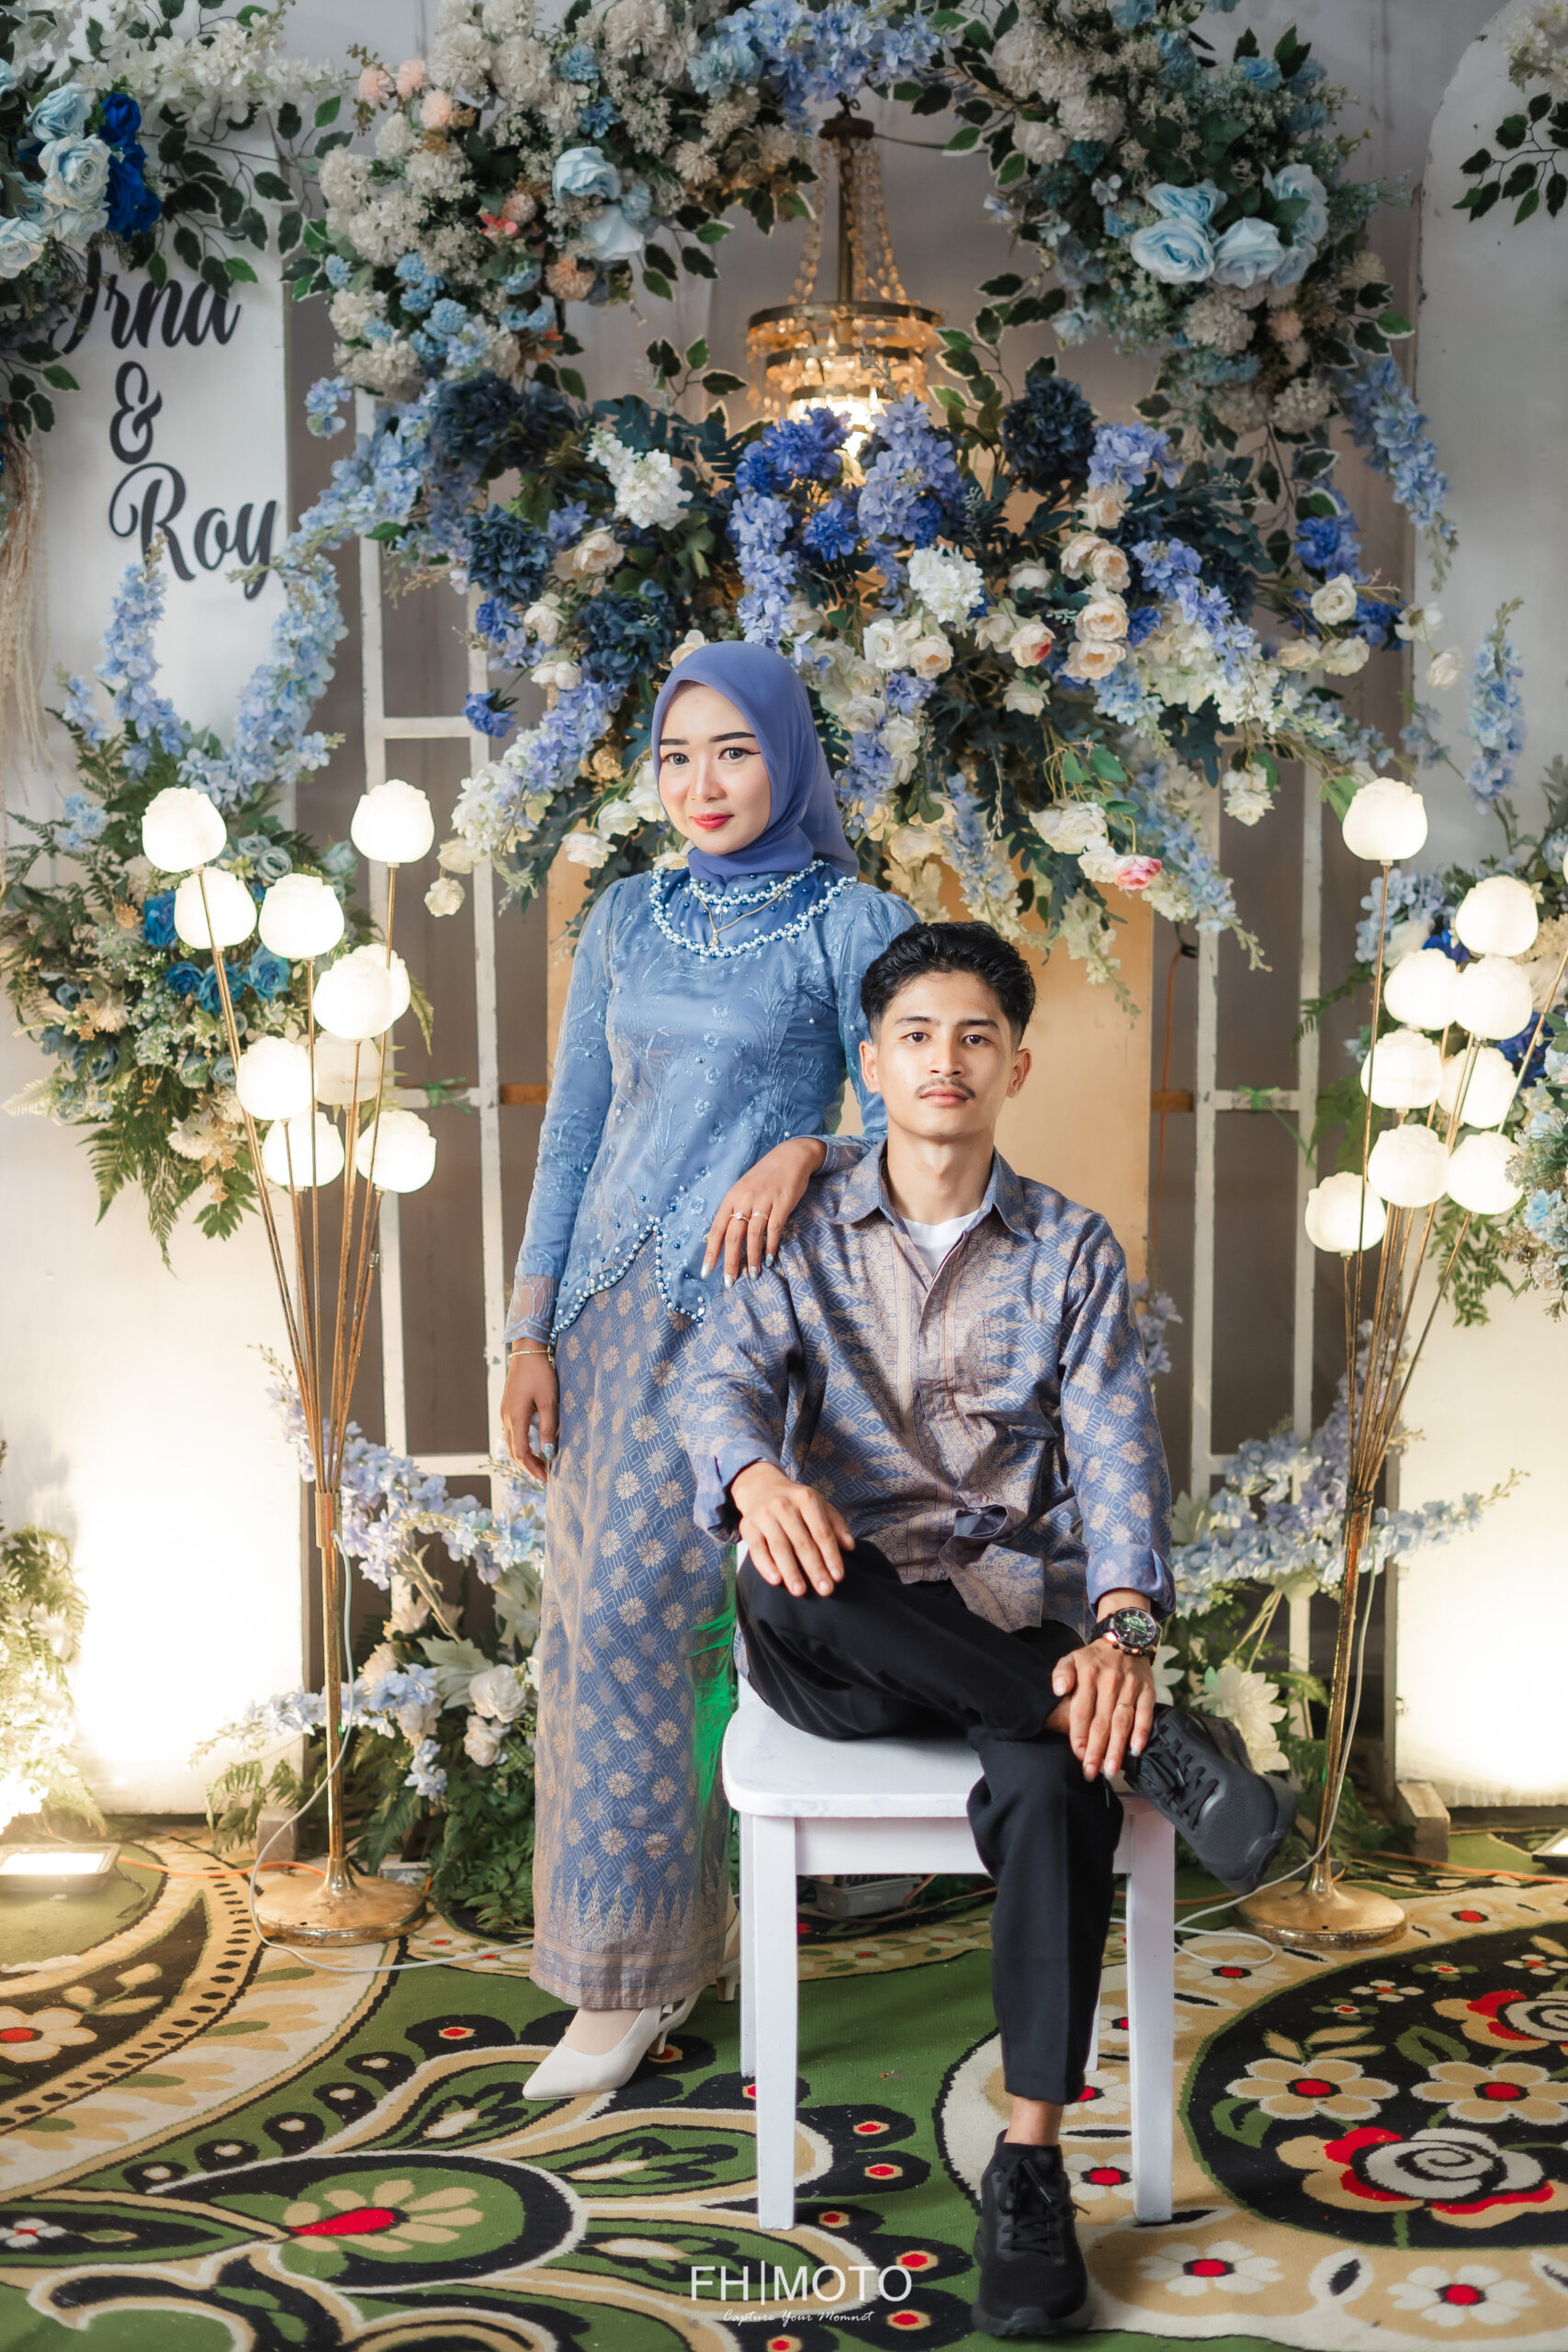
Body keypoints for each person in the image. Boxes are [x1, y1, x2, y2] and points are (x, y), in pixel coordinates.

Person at [678, 920, 1295, 2340]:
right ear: (872, 1063)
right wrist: (756, 1474)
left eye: (974, 1037)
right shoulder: (800, 1225)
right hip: (847, 1633)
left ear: (1016, 1065)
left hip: (1018, 1611)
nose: (943, 1061)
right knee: (776, 1570)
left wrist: (1123, 1629)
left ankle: (1029, 2164)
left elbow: (1118, 1452)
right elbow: (713, 1384)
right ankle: (1141, 1739)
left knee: (1056, 1768)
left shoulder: (1072, 1249)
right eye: (915, 1036)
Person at [501, 639, 915, 2098]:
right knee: (597, 1627)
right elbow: (572, 1128)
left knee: (702, 1626)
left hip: (760, 1321)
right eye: (678, 757)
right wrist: (528, 1330)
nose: (703, 783)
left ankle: (671, 1955)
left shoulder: (853, 921)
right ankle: (630, 1969)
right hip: (609, 1324)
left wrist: (810, 1147)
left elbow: (920, 1116)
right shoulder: (625, 917)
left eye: (734, 750)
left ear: (787, 758)